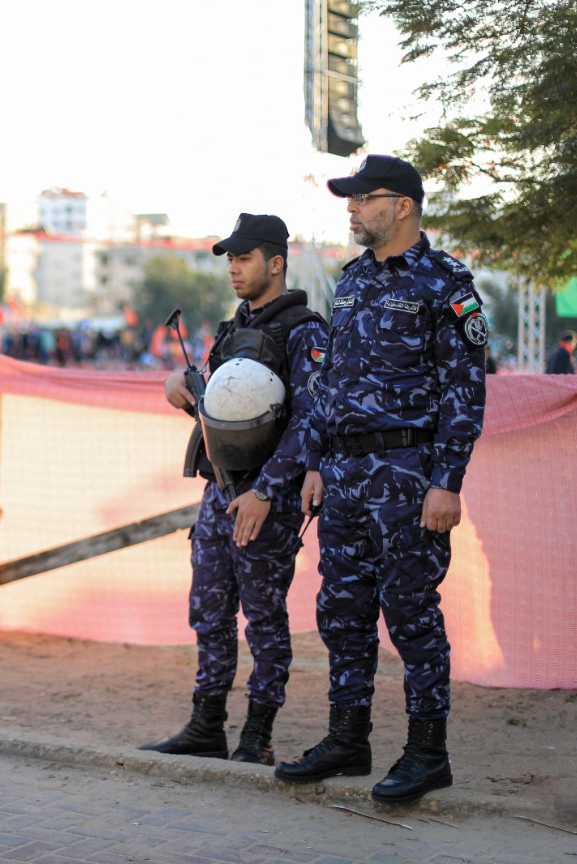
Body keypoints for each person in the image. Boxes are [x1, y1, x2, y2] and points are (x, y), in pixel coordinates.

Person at [274, 155, 487, 805]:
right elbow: (328, 382)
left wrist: (447, 481)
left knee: (412, 613)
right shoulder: (354, 279)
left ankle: (427, 752)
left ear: (402, 206)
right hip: (343, 476)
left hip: (408, 476)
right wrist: (315, 461)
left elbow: (465, 390)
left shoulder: (445, 282)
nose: (353, 208)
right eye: (352, 199)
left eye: (364, 198)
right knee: (341, 610)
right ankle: (348, 738)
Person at [139, 214, 328, 765]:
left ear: (276, 262)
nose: (233, 269)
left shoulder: (305, 330)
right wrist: (180, 389)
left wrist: (265, 492)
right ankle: (207, 727)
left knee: (264, 621)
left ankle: (256, 736)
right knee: (209, 612)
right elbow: (223, 411)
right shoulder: (232, 328)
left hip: (267, 502)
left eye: (244, 258)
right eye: (230, 260)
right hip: (220, 495)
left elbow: (311, 420)